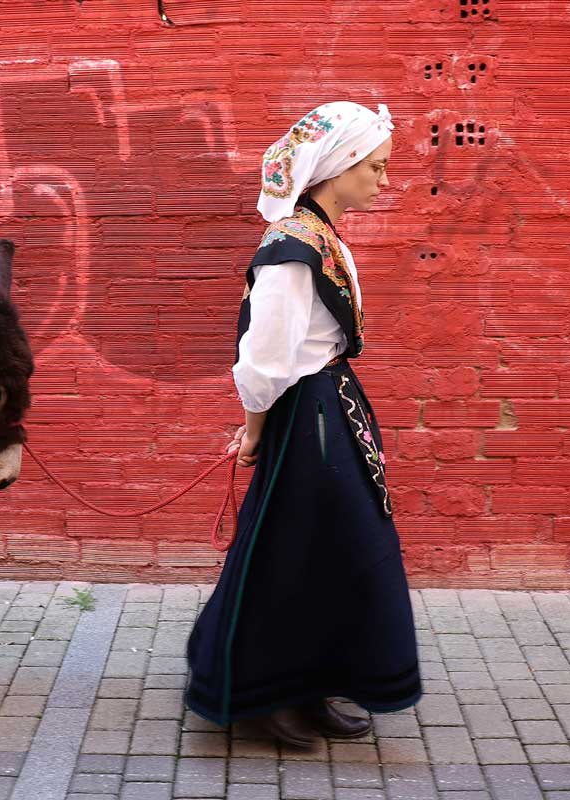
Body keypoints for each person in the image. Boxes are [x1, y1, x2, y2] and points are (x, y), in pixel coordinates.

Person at [185, 101, 422, 748]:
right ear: (338, 165)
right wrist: (254, 430)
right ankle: (262, 695)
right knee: (290, 557)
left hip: (329, 413)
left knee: (332, 554)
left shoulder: (318, 236)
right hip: (305, 422)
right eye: (374, 167)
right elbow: (263, 359)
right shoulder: (291, 250)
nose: (382, 179)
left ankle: (313, 685)